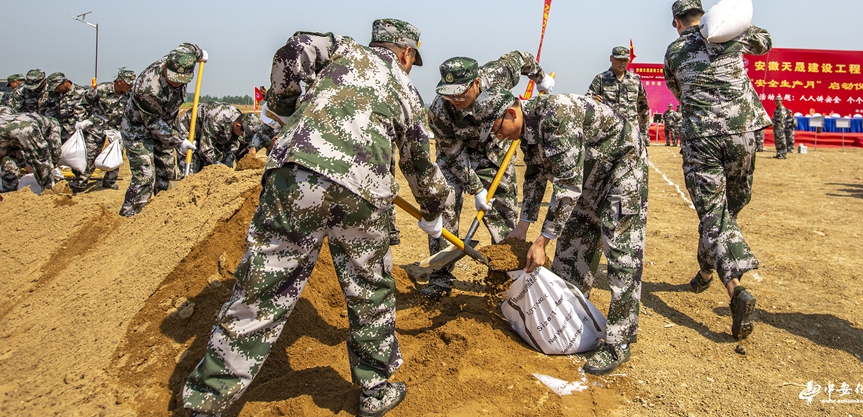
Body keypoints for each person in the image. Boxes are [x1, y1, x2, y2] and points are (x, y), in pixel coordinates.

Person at [182, 20, 450, 417]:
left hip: (296, 173)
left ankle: (207, 400)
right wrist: (434, 208)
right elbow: (419, 164)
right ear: (407, 54)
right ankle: (375, 390)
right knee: (369, 288)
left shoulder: (343, 50)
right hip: (363, 189)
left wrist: (283, 104)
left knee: (263, 286)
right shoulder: (407, 90)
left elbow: (298, 46)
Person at [473, 87, 648, 375]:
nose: (498, 136)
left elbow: (567, 185)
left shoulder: (555, 117)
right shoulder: (527, 131)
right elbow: (534, 178)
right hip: (587, 176)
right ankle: (574, 322)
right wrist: (522, 228)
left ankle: (619, 342)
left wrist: (541, 241)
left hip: (620, 168)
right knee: (571, 248)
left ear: (511, 113)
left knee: (621, 252)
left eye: (497, 128)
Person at [663, 0, 771, 341]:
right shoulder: (731, 36)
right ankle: (705, 271)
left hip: (702, 138)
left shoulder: (674, 52)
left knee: (714, 215)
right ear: (704, 15)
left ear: (677, 22)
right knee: (729, 209)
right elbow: (765, 42)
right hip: (742, 134)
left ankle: (736, 290)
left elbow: (677, 89)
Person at [424, 52, 553, 297]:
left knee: (503, 215)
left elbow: (521, 57)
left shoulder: (495, 75)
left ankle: (505, 278)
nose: (456, 99)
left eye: (461, 92)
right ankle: (440, 278)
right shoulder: (440, 110)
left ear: (476, 82)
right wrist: (476, 187)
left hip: (495, 152)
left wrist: (541, 78)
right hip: (458, 156)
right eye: (449, 92)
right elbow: (451, 152)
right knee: (445, 201)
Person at [119, 43, 207, 217]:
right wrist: (179, 141)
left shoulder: (184, 56)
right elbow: (152, 123)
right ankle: (129, 219)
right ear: (167, 66)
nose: (176, 83)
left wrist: (201, 54)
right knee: (145, 176)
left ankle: (162, 218)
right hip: (138, 129)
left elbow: (190, 47)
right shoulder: (148, 88)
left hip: (166, 125)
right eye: (173, 78)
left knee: (167, 175)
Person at [70, 68, 135, 192]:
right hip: (96, 127)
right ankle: (80, 183)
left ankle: (109, 182)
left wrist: (125, 129)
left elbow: (132, 112)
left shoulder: (129, 95)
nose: (130, 86)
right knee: (90, 154)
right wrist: (82, 120)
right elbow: (82, 104)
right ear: (120, 81)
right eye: (128, 83)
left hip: (115, 129)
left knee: (116, 154)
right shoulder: (101, 89)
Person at [587, 46, 650, 144]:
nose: (622, 63)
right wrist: (592, 100)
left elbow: (643, 107)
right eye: (619, 59)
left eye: (625, 60)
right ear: (611, 58)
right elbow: (587, 101)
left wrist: (644, 134)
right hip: (608, 132)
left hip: (630, 132)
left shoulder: (635, 79)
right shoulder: (601, 79)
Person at [175, 103, 262, 173]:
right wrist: (218, 167)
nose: (241, 137)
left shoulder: (240, 124)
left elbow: (232, 148)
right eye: (242, 135)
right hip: (189, 131)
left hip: (208, 134)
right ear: (237, 125)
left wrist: (228, 168)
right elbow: (205, 150)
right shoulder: (218, 120)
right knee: (192, 167)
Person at [0, 108, 62, 192]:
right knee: (42, 162)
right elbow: (56, 150)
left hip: (2, 129)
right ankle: (50, 192)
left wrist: (24, 164)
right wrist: (53, 164)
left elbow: (14, 151)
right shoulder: (54, 123)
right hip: (25, 129)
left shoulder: (15, 115)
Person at [43, 72, 89, 142]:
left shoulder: (82, 93)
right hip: (58, 131)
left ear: (66, 82)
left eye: (57, 87)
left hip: (75, 132)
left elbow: (85, 114)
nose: (56, 90)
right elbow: (50, 112)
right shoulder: (53, 94)